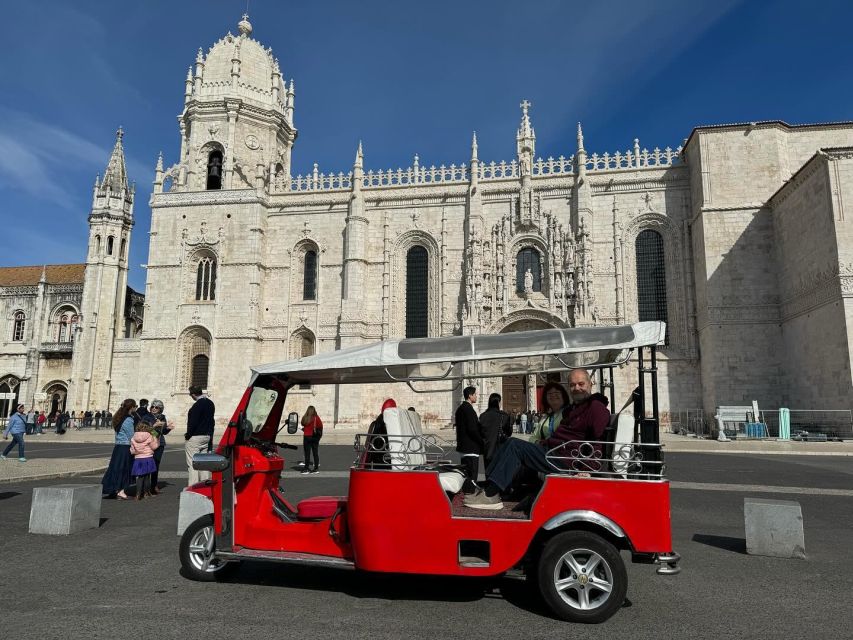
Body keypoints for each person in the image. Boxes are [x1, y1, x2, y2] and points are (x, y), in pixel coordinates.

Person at [464, 369, 610, 510]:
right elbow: (563, 436)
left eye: (581, 384)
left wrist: (588, 469)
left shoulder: (595, 407)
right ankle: (488, 486)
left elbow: (599, 440)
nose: (576, 388)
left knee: (515, 445)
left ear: (591, 384)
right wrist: (544, 442)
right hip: (554, 452)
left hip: (565, 460)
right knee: (510, 442)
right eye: (572, 385)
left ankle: (491, 495)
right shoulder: (575, 409)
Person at [101, 398, 137, 499]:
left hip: (118, 446)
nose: (136, 408)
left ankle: (113, 489)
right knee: (124, 468)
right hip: (125, 447)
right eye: (135, 406)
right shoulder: (128, 419)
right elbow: (131, 435)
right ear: (131, 407)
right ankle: (121, 490)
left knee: (115, 468)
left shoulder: (118, 417)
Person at [454, 386, 482, 494]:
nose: (476, 396)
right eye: (475, 394)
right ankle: (471, 493)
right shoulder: (468, 409)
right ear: (470, 396)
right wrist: (481, 441)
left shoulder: (460, 409)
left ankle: (467, 491)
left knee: (466, 472)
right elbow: (472, 429)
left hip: (463, 446)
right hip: (471, 447)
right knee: (473, 473)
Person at [185, 385, 215, 486]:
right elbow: (212, 422)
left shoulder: (197, 405)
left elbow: (193, 422)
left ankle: (193, 486)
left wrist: (188, 435)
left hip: (196, 436)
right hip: (207, 436)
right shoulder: (210, 403)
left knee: (192, 463)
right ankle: (205, 485)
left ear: (193, 394)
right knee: (203, 462)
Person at [142, 399, 173, 495]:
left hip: (160, 443)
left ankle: (153, 485)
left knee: (156, 464)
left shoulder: (162, 417)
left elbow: (163, 432)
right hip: (149, 442)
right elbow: (143, 429)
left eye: (156, 407)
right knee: (147, 464)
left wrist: (168, 429)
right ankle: (145, 486)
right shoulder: (146, 417)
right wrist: (154, 426)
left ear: (161, 409)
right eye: (152, 406)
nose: (154, 409)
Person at [478, 393, 511, 467]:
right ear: (498, 403)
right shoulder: (504, 416)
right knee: (499, 474)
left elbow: (480, 433)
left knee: (487, 473)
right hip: (500, 450)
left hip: (486, 450)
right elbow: (509, 433)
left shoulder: (482, 416)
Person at [130, 421, 159, 500]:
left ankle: (138, 494)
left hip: (138, 459)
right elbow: (154, 447)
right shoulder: (149, 435)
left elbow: (132, 450)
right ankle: (146, 493)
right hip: (148, 457)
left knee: (140, 477)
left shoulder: (134, 437)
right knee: (147, 476)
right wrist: (156, 438)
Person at [300, 405, 323, 474]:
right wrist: (319, 437)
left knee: (307, 453)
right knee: (315, 453)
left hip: (307, 437)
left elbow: (302, 423)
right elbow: (320, 426)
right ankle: (316, 469)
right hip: (315, 437)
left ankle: (306, 469)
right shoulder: (316, 417)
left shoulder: (305, 417)